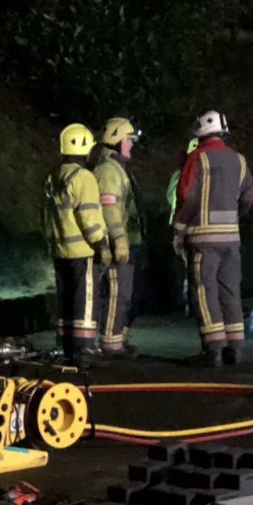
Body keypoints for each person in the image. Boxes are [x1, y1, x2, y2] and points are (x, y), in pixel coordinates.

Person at [172, 109, 253, 366]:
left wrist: (179, 227)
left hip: (202, 239)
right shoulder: (240, 160)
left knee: (204, 291)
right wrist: (232, 217)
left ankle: (213, 350)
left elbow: (186, 194)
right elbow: (248, 196)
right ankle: (235, 348)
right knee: (230, 291)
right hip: (231, 238)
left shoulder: (197, 158)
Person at [41, 123, 110, 368]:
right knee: (85, 300)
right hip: (82, 251)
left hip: (60, 250)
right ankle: (83, 351)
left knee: (67, 298)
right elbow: (89, 216)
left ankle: (68, 347)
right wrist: (101, 242)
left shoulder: (53, 176)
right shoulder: (84, 178)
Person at [93, 116, 143, 355]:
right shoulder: (109, 170)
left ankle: (117, 341)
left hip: (125, 244)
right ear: (117, 140)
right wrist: (120, 240)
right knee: (115, 294)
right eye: (129, 140)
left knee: (122, 295)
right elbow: (110, 208)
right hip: (116, 245)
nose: (131, 144)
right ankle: (111, 345)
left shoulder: (114, 168)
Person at [166, 137, 199, 314]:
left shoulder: (179, 175)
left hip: (180, 227)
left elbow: (170, 198)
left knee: (187, 267)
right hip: (192, 227)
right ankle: (191, 303)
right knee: (193, 267)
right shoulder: (192, 177)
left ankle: (187, 302)